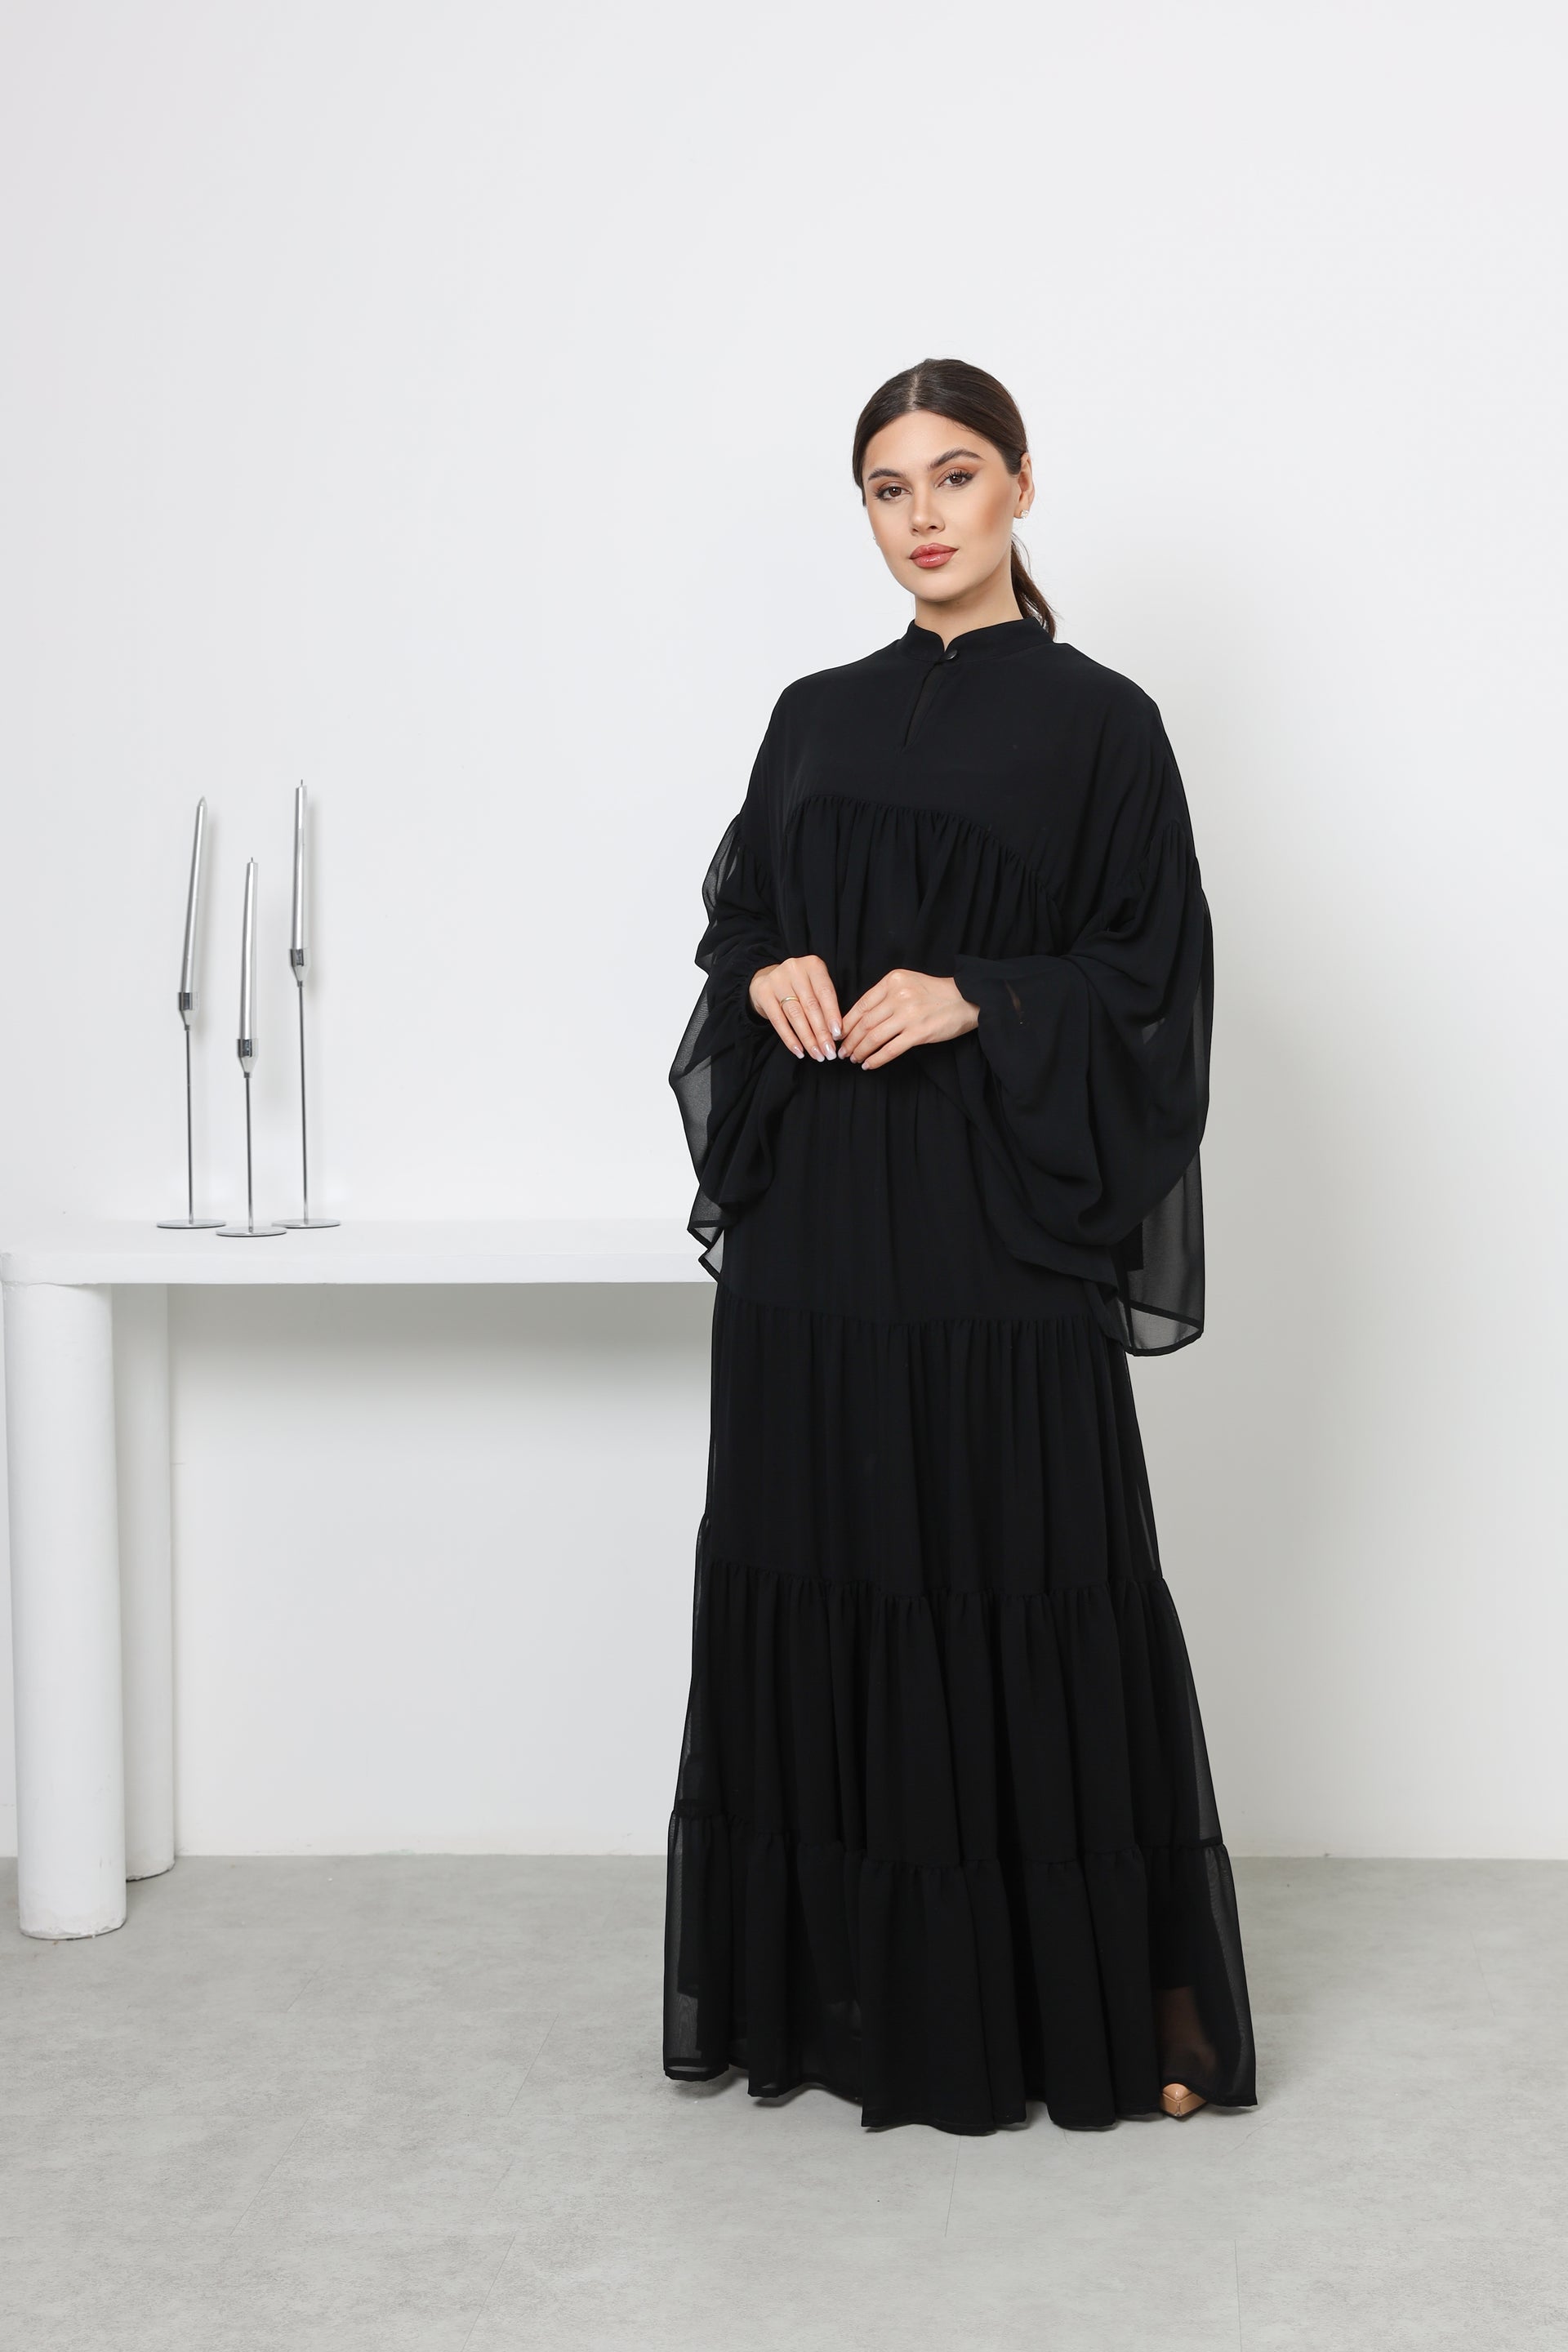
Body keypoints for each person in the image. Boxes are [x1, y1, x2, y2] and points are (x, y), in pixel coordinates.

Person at [662, 356, 1258, 2134]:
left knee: (1024, 1572)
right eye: (887, 486)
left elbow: (1154, 982)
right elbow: (741, 926)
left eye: (954, 475)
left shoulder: (1103, 726)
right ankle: (837, 1999)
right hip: (816, 1239)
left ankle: (1089, 2007)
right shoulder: (811, 716)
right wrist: (771, 968)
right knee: (824, 1568)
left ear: (1019, 487)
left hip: (993, 1234)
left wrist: (977, 993)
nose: (921, 516)